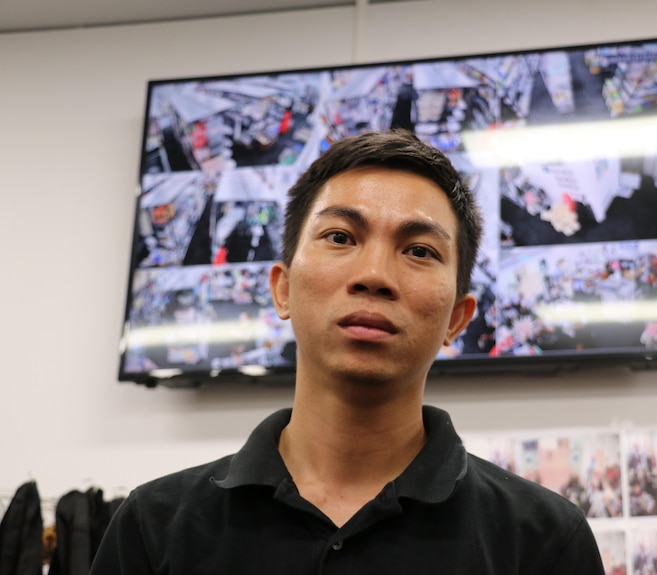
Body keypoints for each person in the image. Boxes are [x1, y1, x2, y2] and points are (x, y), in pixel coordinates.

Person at [90, 129, 604, 574]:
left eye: (419, 250)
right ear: (283, 288)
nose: (374, 276)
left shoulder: (542, 541)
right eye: (340, 236)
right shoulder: (153, 527)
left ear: (457, 319)